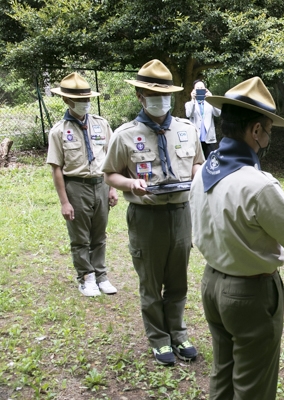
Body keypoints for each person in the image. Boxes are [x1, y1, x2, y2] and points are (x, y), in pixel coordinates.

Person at [189, 77, 284, 400]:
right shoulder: (260, 184)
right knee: (253, 387)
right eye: (268, 129)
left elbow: (232, 223)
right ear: (255, 131)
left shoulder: (203, 174)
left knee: (223, 376)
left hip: (212, 285)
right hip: (249, 296)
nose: (268, 137)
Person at [102, 59, 205, 366]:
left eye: (165, 94)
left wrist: (197, 176)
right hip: (147, 217)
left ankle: (178, 332)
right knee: (150, 281)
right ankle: (159, 338)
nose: (160, 99)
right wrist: (130, 184)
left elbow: (198, 162)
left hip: (181, 212)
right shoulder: (124, 135)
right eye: (152, 93)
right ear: (140, 96)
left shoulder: (187, 130)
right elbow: (109, 174)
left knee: (177, 280)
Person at [46, 72, 119, 297]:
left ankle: (101, 275)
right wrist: (64, 202)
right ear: (67, 100)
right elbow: (57, 168)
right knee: (80, 236)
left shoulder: (101, 124)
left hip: (101, 184)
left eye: (87, 98)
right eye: (80, 99)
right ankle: (86, 277)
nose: (85, 103)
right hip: (76, 186)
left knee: (99, 234)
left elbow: (111, 157)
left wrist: (113, 188)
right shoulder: (59, 131)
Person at [185, 80, 221, 158]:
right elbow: (188, 114)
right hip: (196, 138)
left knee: (211, 160)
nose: (200, 89)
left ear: (205, 89)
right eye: (198, 88)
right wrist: (193, 100)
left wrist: (212, 99)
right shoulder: (189, 104)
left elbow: (218, 113)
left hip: (209, 138)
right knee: (197, 161)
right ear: (193, 90)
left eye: (202, 88)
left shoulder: (210, 103)